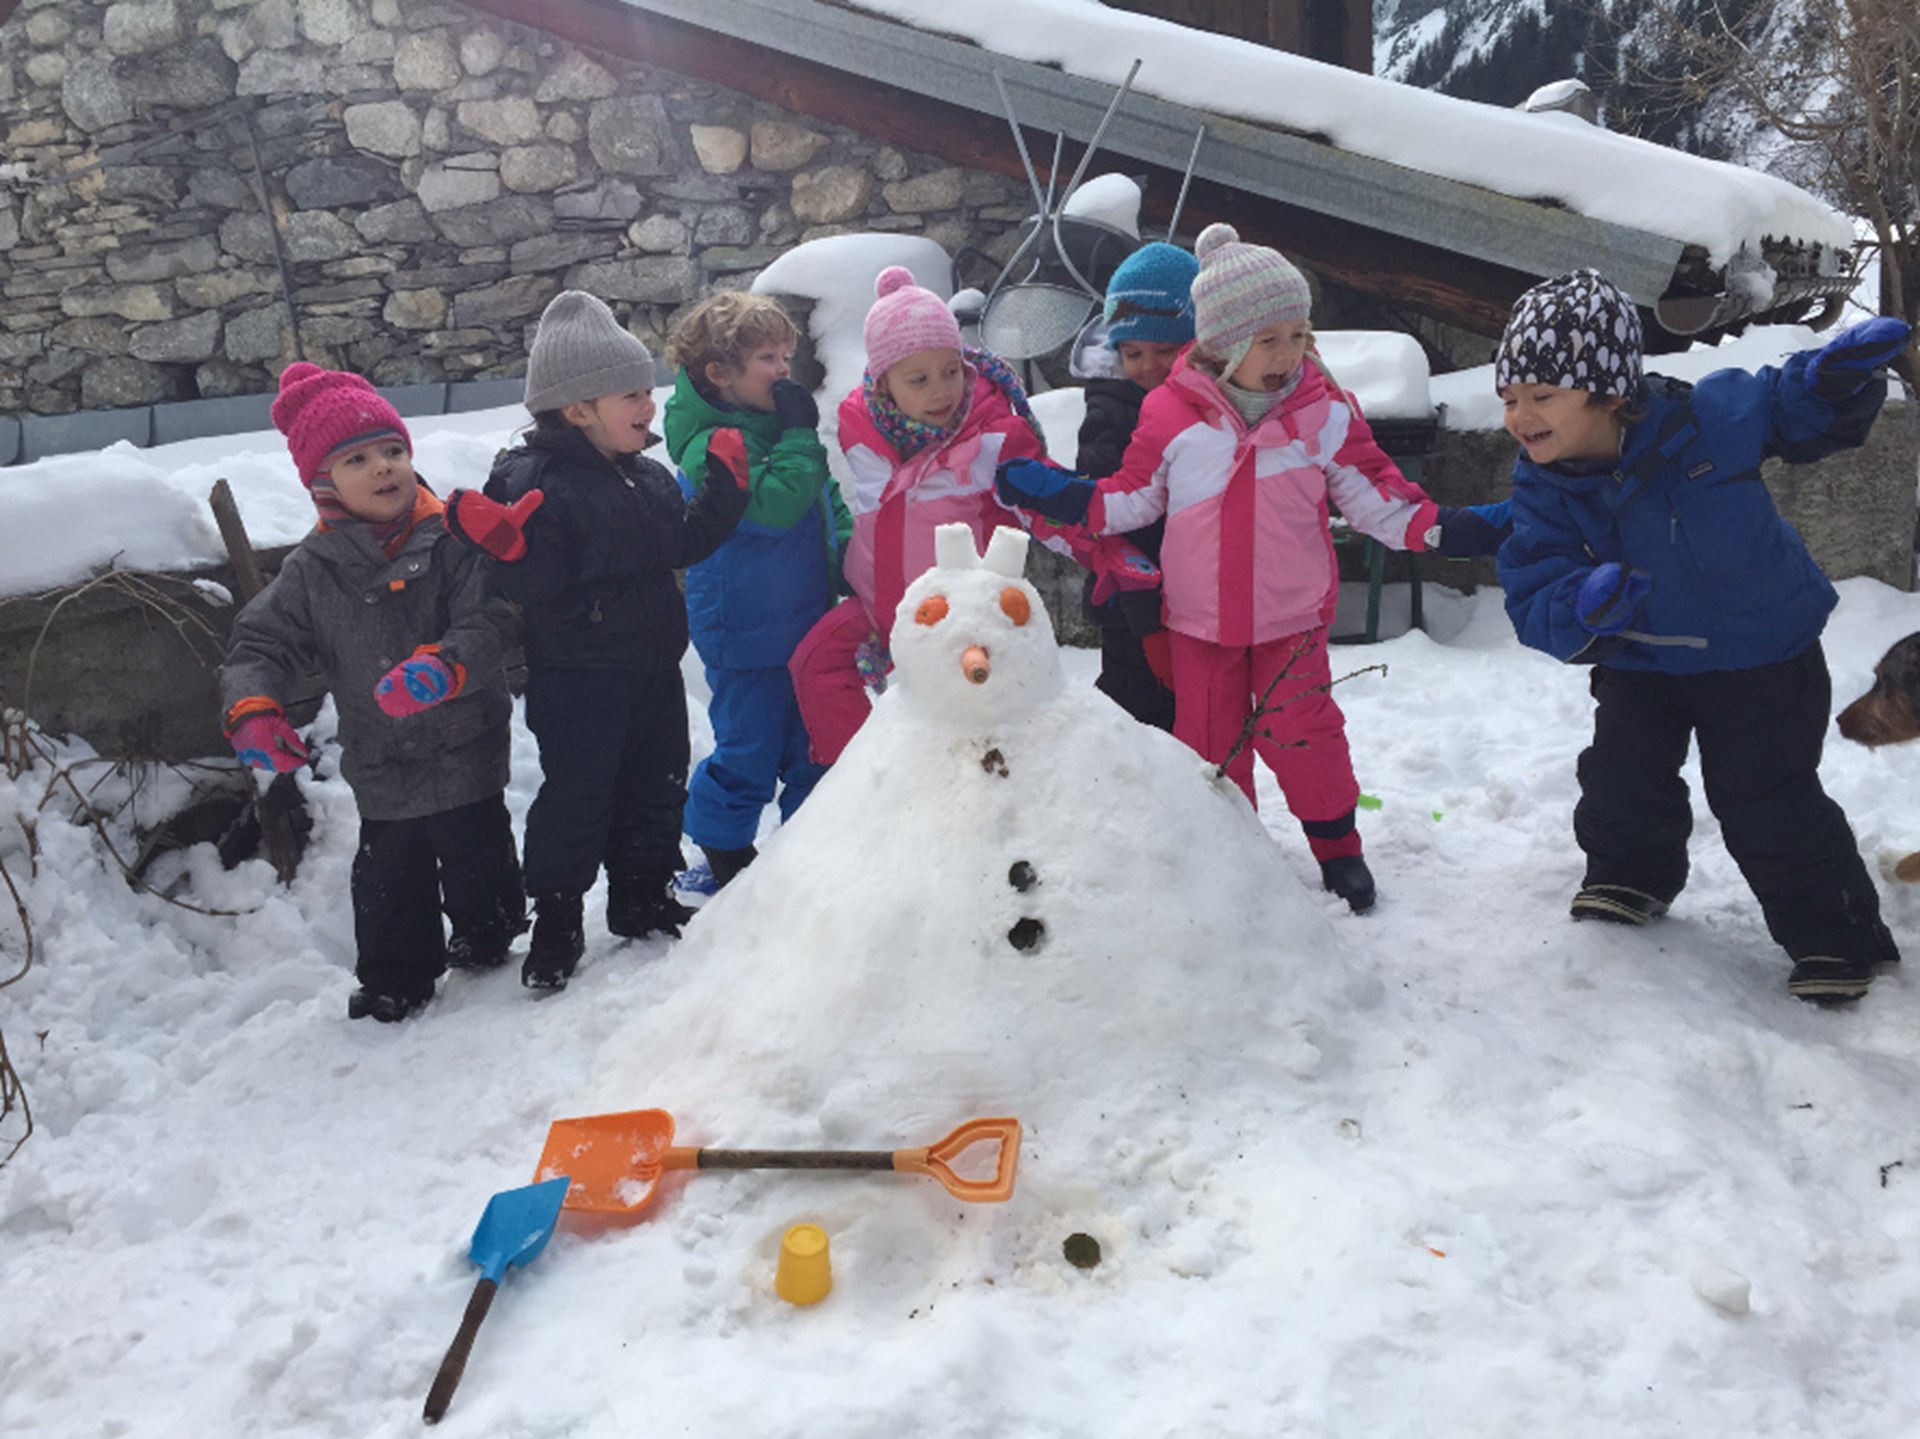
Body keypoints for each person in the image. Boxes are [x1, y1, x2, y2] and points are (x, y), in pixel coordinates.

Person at [997, 223, 1493, 913]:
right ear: (1220, 342)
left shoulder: (1321, 410)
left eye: (1298, 335)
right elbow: (1132, 498)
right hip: (1199, 621)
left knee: (1303, 733)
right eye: (1268, 339)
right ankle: (1233, 855)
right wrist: (1065, 496)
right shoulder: (1171, 413)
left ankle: (1338, 849)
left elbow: (1373, 492)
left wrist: (1444, 526)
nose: (1288, 354)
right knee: (1211, 749)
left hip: (1292, 616)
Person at [1492, 267, 1910, 1002]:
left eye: (1541, 395)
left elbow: (1783, 401)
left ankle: (1835, 937)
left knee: (1766, 800)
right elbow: (1534, 577)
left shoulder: (1708, 418)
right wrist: (1582, 604)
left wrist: (1833, 379)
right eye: (1509, 398)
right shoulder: (1543, 484)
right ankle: (1629, 875)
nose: (1519, 416)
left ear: (1609, 393)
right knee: (1622, 777)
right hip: (1641, 657)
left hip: (1762, 654)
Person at [440, 290, 750, 992]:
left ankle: (642, 894)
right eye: (631, 393)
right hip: (579, 678)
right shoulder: (534, 482)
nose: (648, 404)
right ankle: (557, 916)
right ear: (578, 408)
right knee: (579, 795)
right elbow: (537, 585)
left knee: (656, 782)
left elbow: (682, 543)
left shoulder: (646, 476)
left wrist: (725, 492)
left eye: (646, 389)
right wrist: (511, 550)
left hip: (651, 667)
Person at [221, 363, 525, 1023]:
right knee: (390, 876)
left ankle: (490, 931)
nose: (384, 466)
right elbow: (260, 644)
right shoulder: (312, 571)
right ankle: (396, 978)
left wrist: (446, 666)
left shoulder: (451, 539)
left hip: (464, 740)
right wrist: (254, 707)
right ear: (323, 483)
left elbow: (490, 618)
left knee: (478, 848)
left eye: (392, 449)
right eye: (357, 459)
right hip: (383, 757)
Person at [789, 265, 1159, 764]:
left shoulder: (992, 439)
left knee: (973, 725)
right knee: (816, 663)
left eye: (950, 371)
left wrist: (1106, 554)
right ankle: (862, 781)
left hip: (965, 621)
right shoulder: (861, 430)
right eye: (919, 379)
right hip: (882, 607)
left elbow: (1049, 508)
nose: (941, 391)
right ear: (883, 384)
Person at [659, 293, 851, 896]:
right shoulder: (708, 443)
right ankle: (723, 850)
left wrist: (853, 560)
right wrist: (800, 435)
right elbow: (772, 509)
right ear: (720, 373)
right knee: (749, 748)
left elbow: (823, 501)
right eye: (768, 358)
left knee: (813, 747)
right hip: (744, 631)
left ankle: (808, 852)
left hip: (804, 621)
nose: (783, 370)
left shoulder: (778, 431)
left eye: (785, 356)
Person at [1070, 240, 1199, 731]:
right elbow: (1108, 521)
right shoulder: (1109, 411)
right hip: (1130, 602)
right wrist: (1145, 619)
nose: (1147, 365)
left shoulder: (1208, 405)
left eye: (1166, 350)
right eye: (1132, 352)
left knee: (1191, 713)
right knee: (1134, 708)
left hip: (1194, 594)